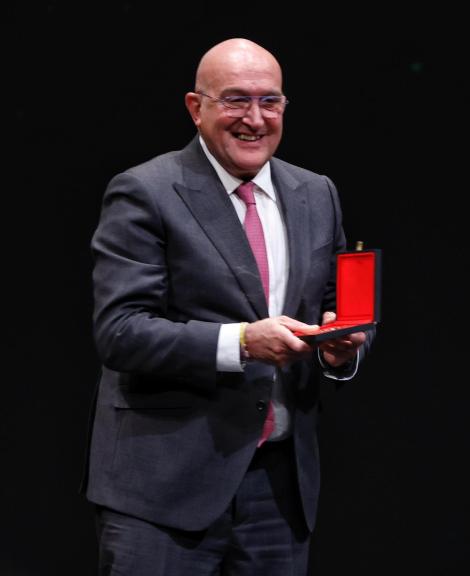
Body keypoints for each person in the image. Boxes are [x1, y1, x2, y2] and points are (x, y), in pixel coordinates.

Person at [84, 38, 372, 574]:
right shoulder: (145, 191)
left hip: (279, 489)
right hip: (163, 491)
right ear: (197, 108)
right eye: (236, 100)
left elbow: (335, 305)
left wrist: (341, 347)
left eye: (270, 102)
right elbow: (121, 331)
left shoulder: (316, 192)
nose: (255, 119)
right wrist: (241, 343)